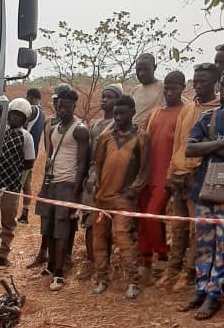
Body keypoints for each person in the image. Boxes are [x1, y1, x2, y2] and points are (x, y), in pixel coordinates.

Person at [160, 63, 221, 290]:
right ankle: (172, 270)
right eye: (195, 81)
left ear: (214, 82)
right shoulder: (187, 109)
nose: (197, 85)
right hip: (178, 174)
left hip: (199, 178)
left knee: (197, 228)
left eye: (203, 81)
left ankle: (189, 273)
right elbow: (178, 145)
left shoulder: (215, 111)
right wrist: (171, 172)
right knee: (178, 228)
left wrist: (194, 170)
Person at [91, 95, 150, 300]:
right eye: (115, 113)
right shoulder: (105, 137)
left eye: (122, 113)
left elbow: (144, 170)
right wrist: (93, 181)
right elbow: (97, 164)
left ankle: (133, 281)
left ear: (133, 113)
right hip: (101, 197)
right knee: (99, 240)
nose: (117, 117)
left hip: (124, 198)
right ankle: (101, 279)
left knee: (123, 238)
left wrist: (133, 190)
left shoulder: (142, 138)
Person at [34, 87, 89, 291]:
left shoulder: (80, 129)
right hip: (52, 183)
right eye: (59, 105)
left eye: (66, 106)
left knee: (62, 230)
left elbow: (83, 163)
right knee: (47, 226)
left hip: (68, 184)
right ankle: (49, 267)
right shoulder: (55, 128)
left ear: (74, 106)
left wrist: (76, 193)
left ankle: (59, 273)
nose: (62, 109)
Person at [180, 74, 224, 320]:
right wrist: (218, 146)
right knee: (204, 244)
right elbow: (189, 149)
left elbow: (199, 147)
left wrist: (208, 144)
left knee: (222, 247)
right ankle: (201, 289)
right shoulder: (209, 117)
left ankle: (214, 295)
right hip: (204, 191)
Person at [136, 71, 186, 283]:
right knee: (142, 217)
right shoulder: (154, 113)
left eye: (174, 89)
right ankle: (146, 259)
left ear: (182, 88)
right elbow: (144, 143)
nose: (169, 92)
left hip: (166, 176)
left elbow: (183, 146)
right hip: (147, 175)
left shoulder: (185, 113)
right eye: (167, 88)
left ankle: (162, 255)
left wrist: (173, 175)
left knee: (152, 215)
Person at [76, 83, 123, 279]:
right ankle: (91, 262)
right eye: (103, 96)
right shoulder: (95, 125)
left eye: (109, 97)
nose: (104, 100)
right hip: (92, 179)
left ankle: (106, 265)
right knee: (89, 221)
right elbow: (89, 155)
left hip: (111, 180)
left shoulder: (119, 126)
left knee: (107, 223)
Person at [0, 98, 36, 266]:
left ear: (25, 119)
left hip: (10, 186)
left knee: (8, 223)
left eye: (19, 116)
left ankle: (3, 256)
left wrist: (14, 171)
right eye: (13, 114)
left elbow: (29, 162)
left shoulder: (27, 137)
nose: (15, 118)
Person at [18, 87, 45, 223]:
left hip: (23, 154)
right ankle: (24, 214)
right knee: (26, 185)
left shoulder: (33, 109)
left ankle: (9, 216)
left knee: (16, 185)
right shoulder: (43, 113)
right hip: (32, 154)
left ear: (30, 96)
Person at [131, 54, 164, 128]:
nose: (141, 73)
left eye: (146, 69)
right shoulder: (135, 90)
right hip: (134, 135)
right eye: (138, 70)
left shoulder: (163, 88)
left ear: (154, 68)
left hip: (152, 134)